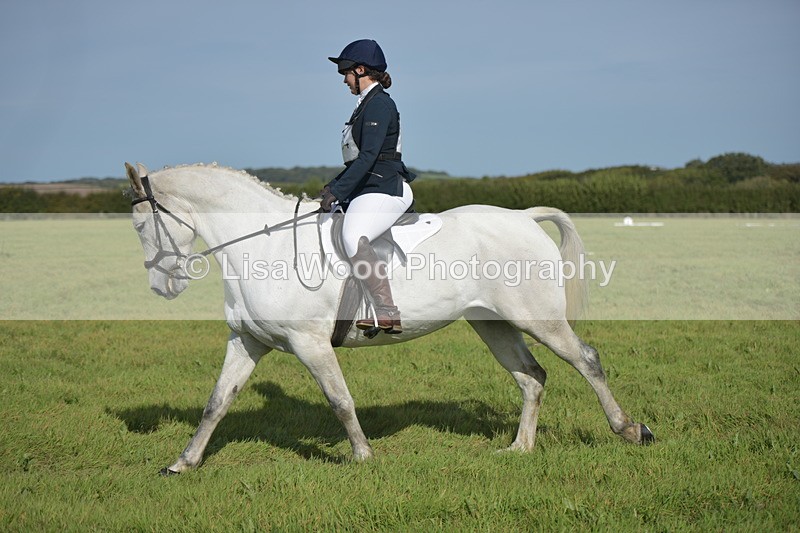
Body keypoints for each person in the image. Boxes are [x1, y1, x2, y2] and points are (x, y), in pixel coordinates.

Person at [321, 39, 416, 335]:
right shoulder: (364, 106)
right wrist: (332, 187)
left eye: (346, 73)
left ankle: (387, 312)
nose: (345, 80)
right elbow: (357, 162)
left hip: (386, 187)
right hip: (368, 186)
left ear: (361, 70)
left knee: (353, 236)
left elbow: (368, 156)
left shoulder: (379, 104)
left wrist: (337, 190)